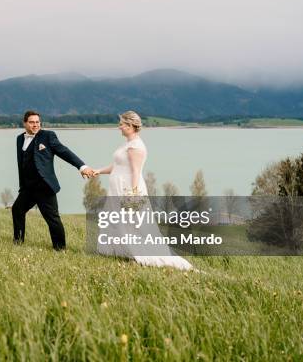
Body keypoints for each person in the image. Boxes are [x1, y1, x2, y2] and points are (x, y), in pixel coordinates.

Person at [92, 110, 194, 270]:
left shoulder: (136, 146)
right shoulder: (127, 144)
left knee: (133, 224)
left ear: (131, 126)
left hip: (128, 189)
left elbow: (135, 171)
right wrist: (98, 171)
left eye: (122, 124)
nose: (119, 127)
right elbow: (117, 166)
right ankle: (120, 251)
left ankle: (141, 253)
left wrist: (132, 195)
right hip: (118, 188)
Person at [12, 110, 94, 250]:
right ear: (25, 123)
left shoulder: (48, 136)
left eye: (37, 122)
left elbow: (64, 152)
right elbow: (22, 163)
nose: (35, 125)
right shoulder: (20, 139)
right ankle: (18, 242)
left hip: (44, 186)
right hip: (28, 187)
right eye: (32, 122)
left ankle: (60, 249)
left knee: (52, 219)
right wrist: (23, 185)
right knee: (17, 210)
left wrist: (82, 166)